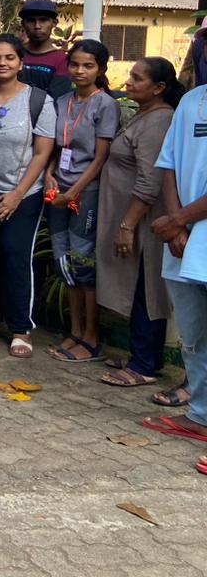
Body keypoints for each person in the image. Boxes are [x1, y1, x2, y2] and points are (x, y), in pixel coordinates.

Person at [96, 57, 181, 387]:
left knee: (146, 290)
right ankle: (145, 356)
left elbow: (151, 180)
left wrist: (128, 225)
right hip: (133, 219)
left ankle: (143, 365)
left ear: (159, 88)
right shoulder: (144, 115)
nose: (128, 82)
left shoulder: (159, 122)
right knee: (138, 287)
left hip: (144, 223)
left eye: (137, 78)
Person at [0, 35, 56, 358]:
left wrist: (17, 195)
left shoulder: (39, 101)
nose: (2, 63)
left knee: (15, 254)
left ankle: (21, 327)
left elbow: (41, 154)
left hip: (24, 193)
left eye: (9, 57)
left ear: (21, 62)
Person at [45, 39, 119, 363]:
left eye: (88, 65)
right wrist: (48, 174)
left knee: (83, 260)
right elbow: (55, 148)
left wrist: (74, 192)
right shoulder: (62, 100)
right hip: (57, 190)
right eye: (75, 64)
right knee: (63, 258)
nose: (80, 71)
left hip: (83, 194)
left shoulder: (105, 105)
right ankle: (74, 331)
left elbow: (101, 158)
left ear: (101, 69)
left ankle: (92, 339)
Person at [145, 81, 207, 457]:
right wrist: (176, 223)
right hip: (182, 240)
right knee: (193, 334)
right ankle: (200, 415)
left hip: (186, 227)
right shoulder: (190, 100)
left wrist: (179, 219)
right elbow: (168, 163)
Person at [18, 0, 70, 95]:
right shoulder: (14, 55)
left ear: (54, 23)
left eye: (43, 20)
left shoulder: (62, 60)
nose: (37, 26)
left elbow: (58, 97)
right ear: (23, 24)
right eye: (31, 20)